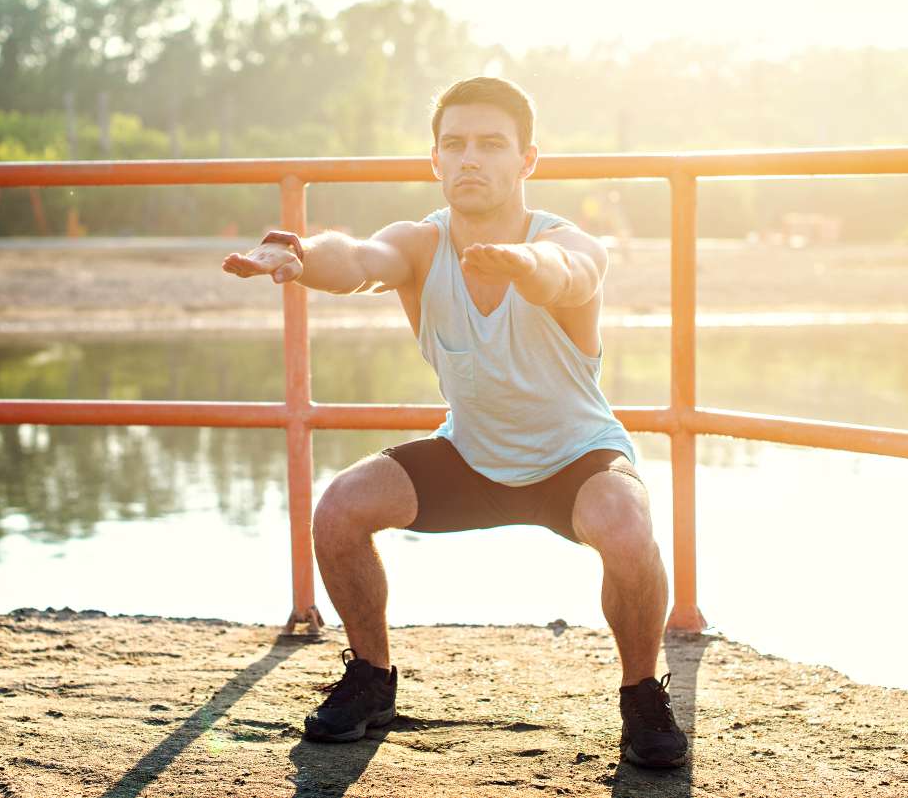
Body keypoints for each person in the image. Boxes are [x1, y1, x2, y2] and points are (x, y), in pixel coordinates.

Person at [221, 76, 689, 769]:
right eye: (456, 144)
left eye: (492, 144)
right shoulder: (419, 243)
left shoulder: (568, 241)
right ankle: (372, 679)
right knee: (339, 511)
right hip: (471, 455)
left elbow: (569, 274)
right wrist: (297, 256)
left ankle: (642, 697)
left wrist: (522, 264)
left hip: (577, 460)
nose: (471, 158)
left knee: (627, 527)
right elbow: (356, 259)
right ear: (433, 159)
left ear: (528, 159)